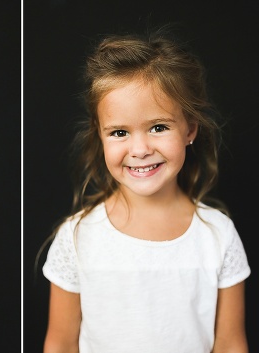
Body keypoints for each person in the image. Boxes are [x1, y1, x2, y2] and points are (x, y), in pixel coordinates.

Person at [40, 27, 250, 353]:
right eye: (120, 132)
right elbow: (61, 344)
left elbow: (230, 344)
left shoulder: (219, 237)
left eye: (158, 127)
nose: (139, 149)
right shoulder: (78, 238)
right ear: (100, 135)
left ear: (190, 129)